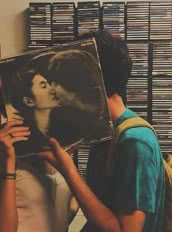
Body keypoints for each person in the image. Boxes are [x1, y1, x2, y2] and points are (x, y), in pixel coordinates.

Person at [39, 30, 165, 232]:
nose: (53, 90)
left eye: (64, 79)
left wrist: (68, 169)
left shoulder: (135, 141)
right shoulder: (105, 132)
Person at [0, 52, 78, 232]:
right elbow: (3, 229)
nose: (52, 89)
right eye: (44, 85)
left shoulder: (63, 143)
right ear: (28, 100)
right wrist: (10, 161)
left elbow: (73, 198)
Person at [47, 48, 114, 149]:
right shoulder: (60, 119)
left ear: (71, 83)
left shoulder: (107, 120)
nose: (51, 89)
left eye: (56, 83)